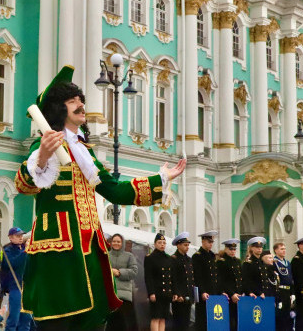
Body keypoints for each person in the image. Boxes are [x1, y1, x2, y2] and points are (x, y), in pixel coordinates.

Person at [13, 66, 186, 330]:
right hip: (59, 249)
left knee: (94, 316)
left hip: (90, 247)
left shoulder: (84, 152)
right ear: (59, 110)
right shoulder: (44, 146)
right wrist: (44, 157)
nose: (81, 105)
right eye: (72, 102)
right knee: (60, 317)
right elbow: (24, 185)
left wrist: (161, 178)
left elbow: (115, 190)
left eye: (80, 100)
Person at [0, 227, 31, 331]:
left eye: (21, 235)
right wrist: (25, 252)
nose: (21, 238)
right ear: (11, 238)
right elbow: (13, 263)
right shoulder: (7, 251)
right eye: (18, 236)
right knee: (14, 319)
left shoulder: (23, 249)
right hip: (15, 287)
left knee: (26, 320)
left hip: (25, 287)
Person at [106, 233, 138, 331]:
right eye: (114, 241)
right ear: (111, 243)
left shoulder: (129, 256)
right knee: (110, 323)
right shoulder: (106, 255)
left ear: (122, 243)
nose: (116, 243)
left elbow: (134, 271)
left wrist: (119, 273)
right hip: (109, 294)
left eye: (118, 242)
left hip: (124, 295)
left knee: (124, 323)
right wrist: (109, 271)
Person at [144, 233, 174, 331]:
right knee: (156, 317)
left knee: (163, 318)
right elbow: (148, 277)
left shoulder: (168, 258)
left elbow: (170, 277)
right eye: (160, 242)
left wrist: (172, 292)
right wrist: (151, 292)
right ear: (155, 244)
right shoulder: (150, 258)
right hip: (156, 292)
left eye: (164, 243)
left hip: (166, 293)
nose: (162, 245)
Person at [192, 230, 219, 331]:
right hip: (203, 292)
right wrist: (202, 291)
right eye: (209, 242)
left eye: (212, 242)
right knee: (202, 318)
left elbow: (214, 275)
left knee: (211, 318)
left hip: (212, 291)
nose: (211, 244)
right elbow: (198, 276)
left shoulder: (212, 255)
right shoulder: (197, 256)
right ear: (203, 241)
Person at [170, 232, 195, 331]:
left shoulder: (188, 259)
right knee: (178, 323)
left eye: (188, 245)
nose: (187, 247)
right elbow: (173, 278)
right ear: (178, 245)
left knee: (186, 323)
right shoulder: (174, 259)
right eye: (185, 245)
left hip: (188, 296)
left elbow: (190, 278)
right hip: (179, 297)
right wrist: (177, 293)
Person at [216, 238, 242, 331]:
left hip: (238, 296)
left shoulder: (238, 262)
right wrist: (231, 294)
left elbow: (239, 279)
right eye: (230, 249)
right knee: (230, 322)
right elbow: (222, 281)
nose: (233, 251)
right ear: (226, 249)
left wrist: (240, 292)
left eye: (234, 249)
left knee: (238, 322)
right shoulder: (221, 262)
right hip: (228, 296)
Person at [273, 242, 293, 331]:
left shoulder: (287, 263)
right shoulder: (274, 262)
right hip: (280, 291)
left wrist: (292, 293)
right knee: (280, 317)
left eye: (284, 249)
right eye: (281, 249)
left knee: (288, 316)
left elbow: (291, 278)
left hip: (288, 291)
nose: (284, 250)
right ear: (276, 250)